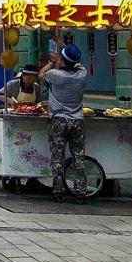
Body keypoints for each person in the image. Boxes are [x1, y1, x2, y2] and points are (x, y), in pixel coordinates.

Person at [40, 44, 89, 202]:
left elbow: (41, 76)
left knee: (57, 158)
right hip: (77, 120)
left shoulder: (55, 75)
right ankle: (81, 193)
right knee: (79, 158)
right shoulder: (82, 74)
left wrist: (51, 61)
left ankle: (58, 192)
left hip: (59, 120)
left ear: (62, 61)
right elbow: (79, 65)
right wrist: (65, 58)